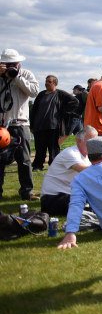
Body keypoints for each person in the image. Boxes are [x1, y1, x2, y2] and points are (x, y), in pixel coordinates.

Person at [0, 48, 39, 200]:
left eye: (13, 64)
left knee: (24, 159)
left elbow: (34, 91)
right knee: (0, 160)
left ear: (18, 63)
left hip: (20, 123)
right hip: (2, 125)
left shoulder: (26, 74)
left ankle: (27, 191)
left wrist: (17, 77)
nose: (11, 67)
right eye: (7, 64)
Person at [40, 126, 97, 216]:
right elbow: (85, 170)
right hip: (52, 199)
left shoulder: (88, 157)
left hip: (67, 196)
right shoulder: (70, 153)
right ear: (79, 140)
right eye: (90, 141)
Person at [30, 75, 78, 171]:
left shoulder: (60, 94)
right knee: (40, 147)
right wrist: (32, 125)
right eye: (46, 81)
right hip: (40, 126)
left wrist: (64, 112)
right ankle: (38, 165)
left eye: (49, 81)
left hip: (54, 126)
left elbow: (74, 101)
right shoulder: (41, 95)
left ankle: (54, 165)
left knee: (53, 148)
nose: (47, 83)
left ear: (55, 83)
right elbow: (34, 110)